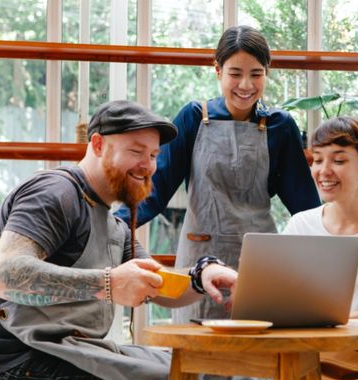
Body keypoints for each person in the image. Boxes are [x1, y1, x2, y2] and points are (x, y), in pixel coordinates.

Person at [0, 100, 237, 380]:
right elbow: (4, 275)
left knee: (197, 376)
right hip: (17, 367)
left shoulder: (113, 224)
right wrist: (109, 283)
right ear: (98, 145)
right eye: (136, 151)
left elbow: (159, 284)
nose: (149, 165)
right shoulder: (54, 193)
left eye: (153, 155)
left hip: (69, 355)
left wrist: (202, 275)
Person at [115, 25, 320, 324]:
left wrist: (333, 254)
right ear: (218, 71)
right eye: (235, 73)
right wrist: (112, 224)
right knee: (197, 357)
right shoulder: (194, 117)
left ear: (267, 72)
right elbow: (154, 192)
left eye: (256, 73)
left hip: (259, 262)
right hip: (199, 262)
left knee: (256, 359)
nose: (246, 85)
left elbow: (305, 208)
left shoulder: (280, 126)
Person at [230, 116, 358, 380]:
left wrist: (344, 320)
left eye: (338, 160)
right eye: (317, 159)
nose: (324, 171)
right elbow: (277, 297)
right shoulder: (301, 224)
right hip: (308, 362)